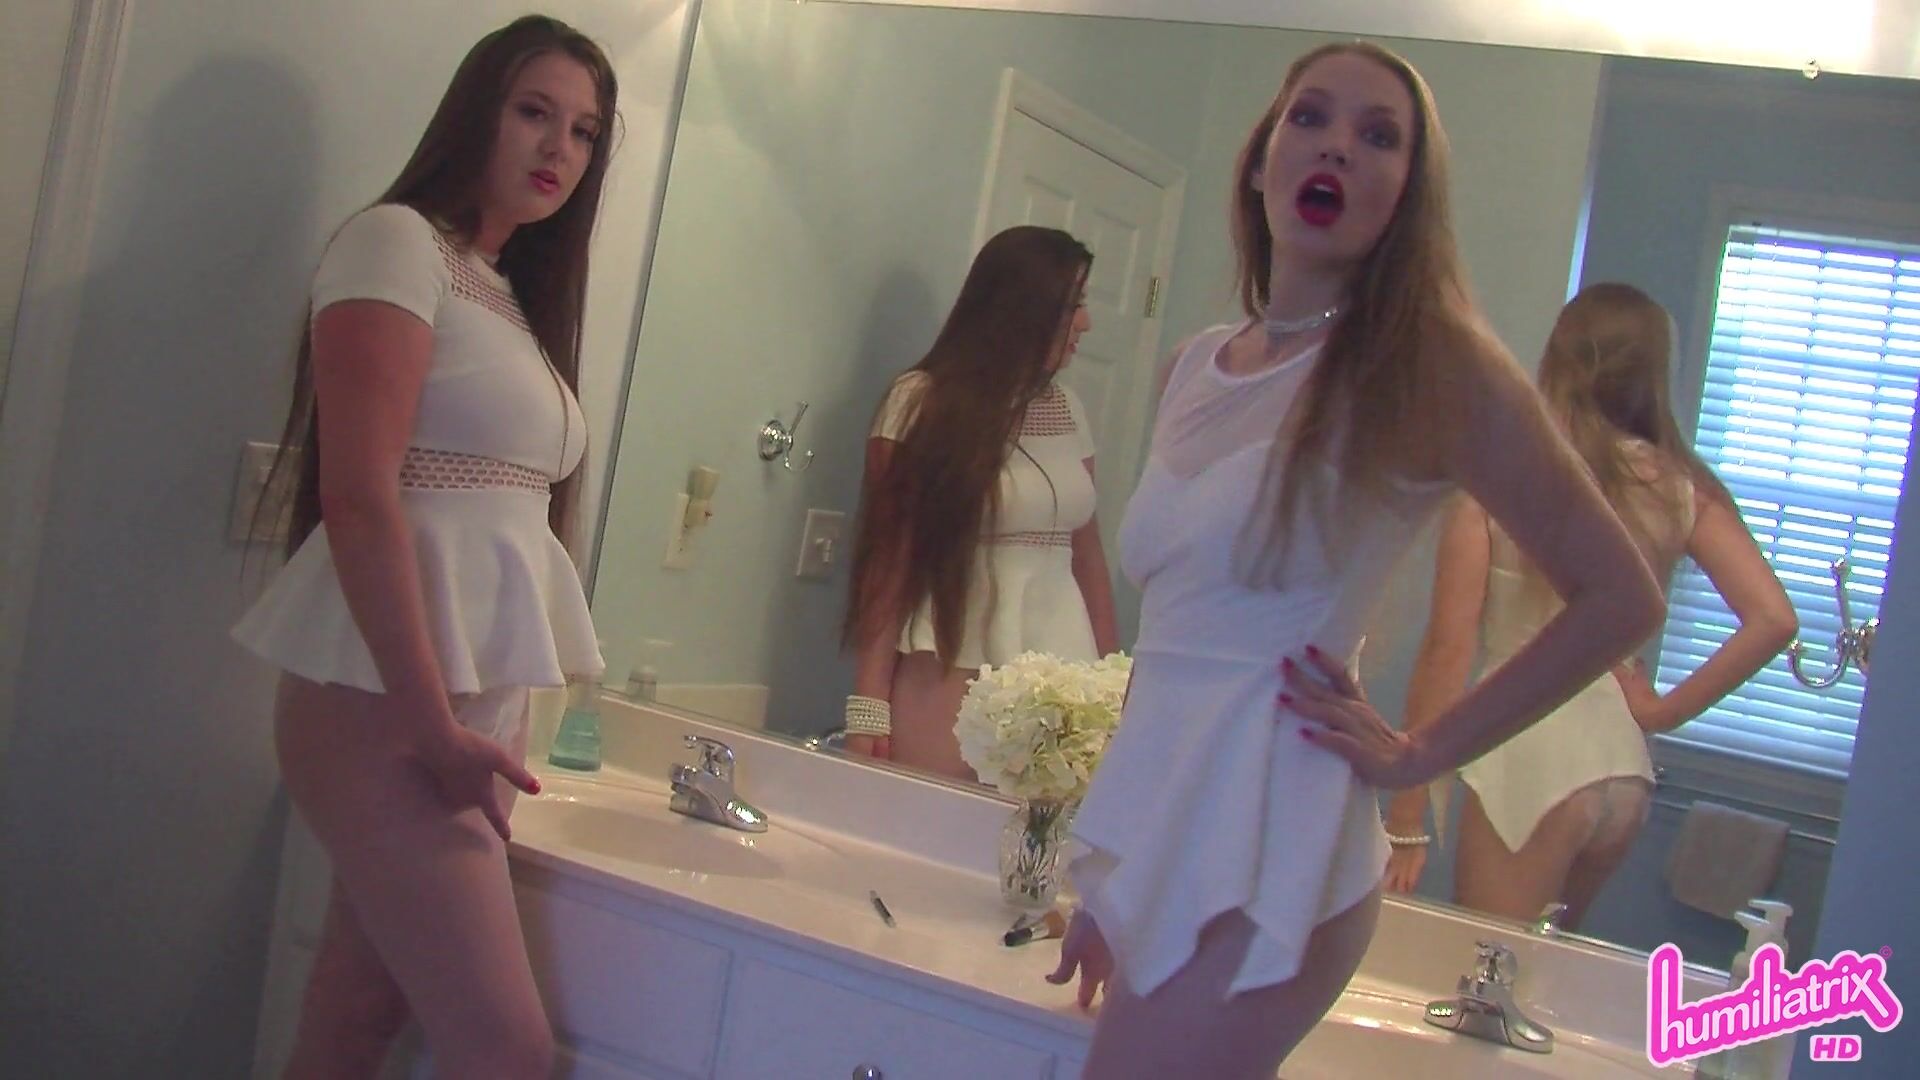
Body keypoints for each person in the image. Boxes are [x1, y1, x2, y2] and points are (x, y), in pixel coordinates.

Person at [1042, 42, 1667, 1078]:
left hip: (1278, 841)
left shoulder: (1427, 363)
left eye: (1380, 136)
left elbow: (1621, 598)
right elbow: (1172, 652)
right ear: (1260, 160)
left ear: (1406, 195)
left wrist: (1421, 753)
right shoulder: (1196, 364)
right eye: (1311, 117)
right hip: (1175, 822)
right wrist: (1121, 883)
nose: (1338, 145)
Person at [231, 16, 617, 1077]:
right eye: (534, 112)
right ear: (477, 112)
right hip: (386, 701)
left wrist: (480, 716)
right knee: (509, 1051)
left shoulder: (510, 293)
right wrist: (432, 720)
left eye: (585, 131)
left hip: (462, 702)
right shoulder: (397, 243)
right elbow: (359, 497)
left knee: (355, 1015)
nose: (560, 149)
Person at [1382, 283, 1797, 929]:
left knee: (1486, 960)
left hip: (1528, 750)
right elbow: (1773, 618)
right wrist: (1661, 711)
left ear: (1557, 359)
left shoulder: (1503, 479)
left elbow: (1447, 650)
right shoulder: (1679, 486)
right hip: (1621, 767)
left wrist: (1406, 816)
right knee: (1550, 971)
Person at [840, 226, 1120, 781]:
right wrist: (868, 704)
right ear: (1023, 308)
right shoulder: (919, 400)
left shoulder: (1069, 408)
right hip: (953, 661)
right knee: (931, 821)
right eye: (1073, 305)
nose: (1085, 323)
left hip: (1067, 667)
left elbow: (1087, 555)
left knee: (1046, 834)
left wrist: (1117, 681)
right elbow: (889, 561)